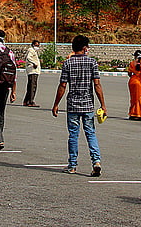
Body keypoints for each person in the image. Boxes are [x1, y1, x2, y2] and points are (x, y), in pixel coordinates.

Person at [51, 34, 106, 177]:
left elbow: (63, 85)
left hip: (73, 106)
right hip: (87, 105)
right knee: (90, 133)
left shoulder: (67, 63)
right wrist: (103, 105)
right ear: (85, 48)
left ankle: (73, 165)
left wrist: (56, 104)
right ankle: (96, 161)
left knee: (73, 135)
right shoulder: (92, 63)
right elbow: (97, 85)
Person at [23, 39, 41, 107]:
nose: (37, 47)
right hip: (33, 70)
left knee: (30, 86)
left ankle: (26, 101)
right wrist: (34, 63)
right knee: (33, 86)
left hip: (33, 71)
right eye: (36, 45)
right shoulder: (31, 50)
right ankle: (31, 101)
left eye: (38, 46)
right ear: (33, 45)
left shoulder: (33, 51)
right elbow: (28, 58)